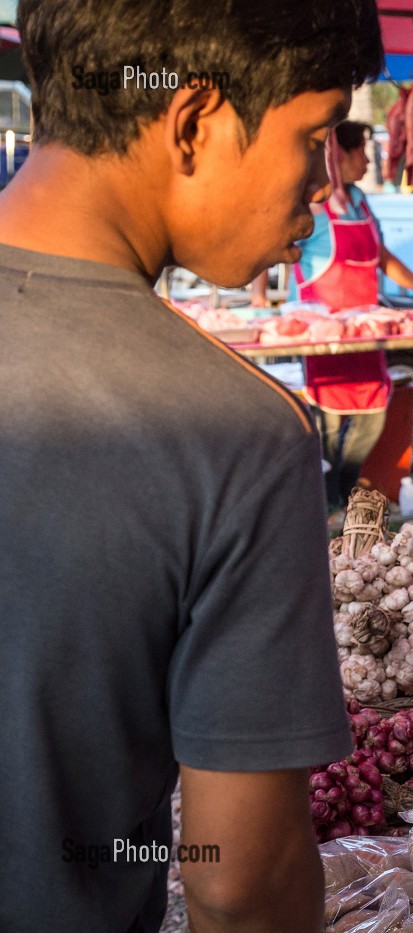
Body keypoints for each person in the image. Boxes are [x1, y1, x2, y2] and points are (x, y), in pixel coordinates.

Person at [0, 1, 383, 930]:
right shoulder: (234, 434)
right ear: (192, 124)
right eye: (315, 136)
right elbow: (235, 882)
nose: (324, 186)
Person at [262, 120, 413, 508]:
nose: (368, 160)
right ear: (339, 154)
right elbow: (269, 238)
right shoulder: (314, 205)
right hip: (326, 337)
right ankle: (333, 501)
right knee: (329, 422)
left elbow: (380, 255)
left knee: (374, 410)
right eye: (362, 152)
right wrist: (260, 295)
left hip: (367, 331)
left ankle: (344, 486)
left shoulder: (361, 201)